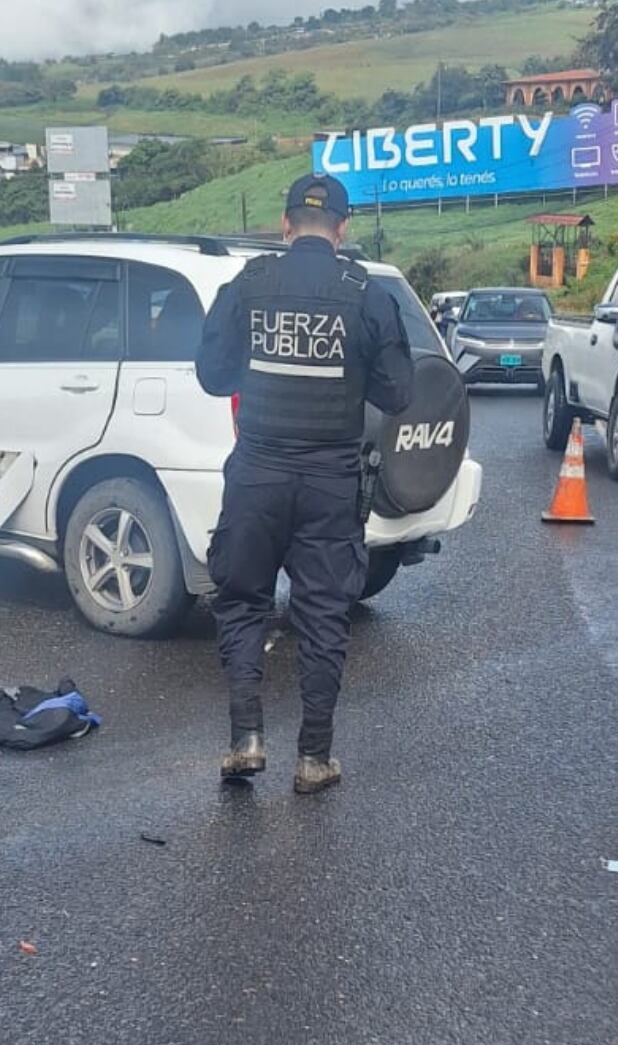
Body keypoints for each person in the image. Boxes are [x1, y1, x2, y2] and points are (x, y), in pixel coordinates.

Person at [196, 174, 414, 794]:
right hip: (329, 481)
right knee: (322, 614)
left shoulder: (250, 285)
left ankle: (246, 740)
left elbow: (212, 375)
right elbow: (398, 392)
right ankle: (314, 758)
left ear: (286, 225)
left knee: (243, 601)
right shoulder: (366, 294)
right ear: (342, 230)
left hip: (257, 475)